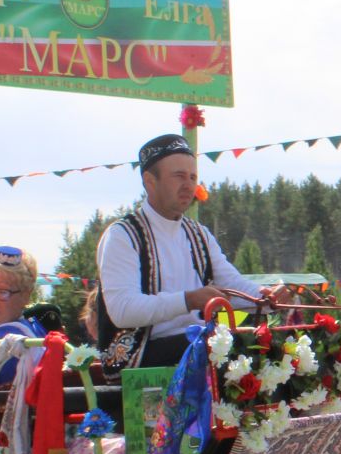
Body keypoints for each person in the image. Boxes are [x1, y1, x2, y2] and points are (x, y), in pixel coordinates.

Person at [94, 134, 272, 370]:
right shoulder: (122, 235)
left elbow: (232, 286)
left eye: (193, 177)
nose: (189, 185)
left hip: (195, 344)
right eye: (179, 176)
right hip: (139, 358)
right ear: (150, 181)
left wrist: (267, 298)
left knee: (266, 343)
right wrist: (188, 300)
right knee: (214, 346)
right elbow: (123, 310)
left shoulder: (199, 234)